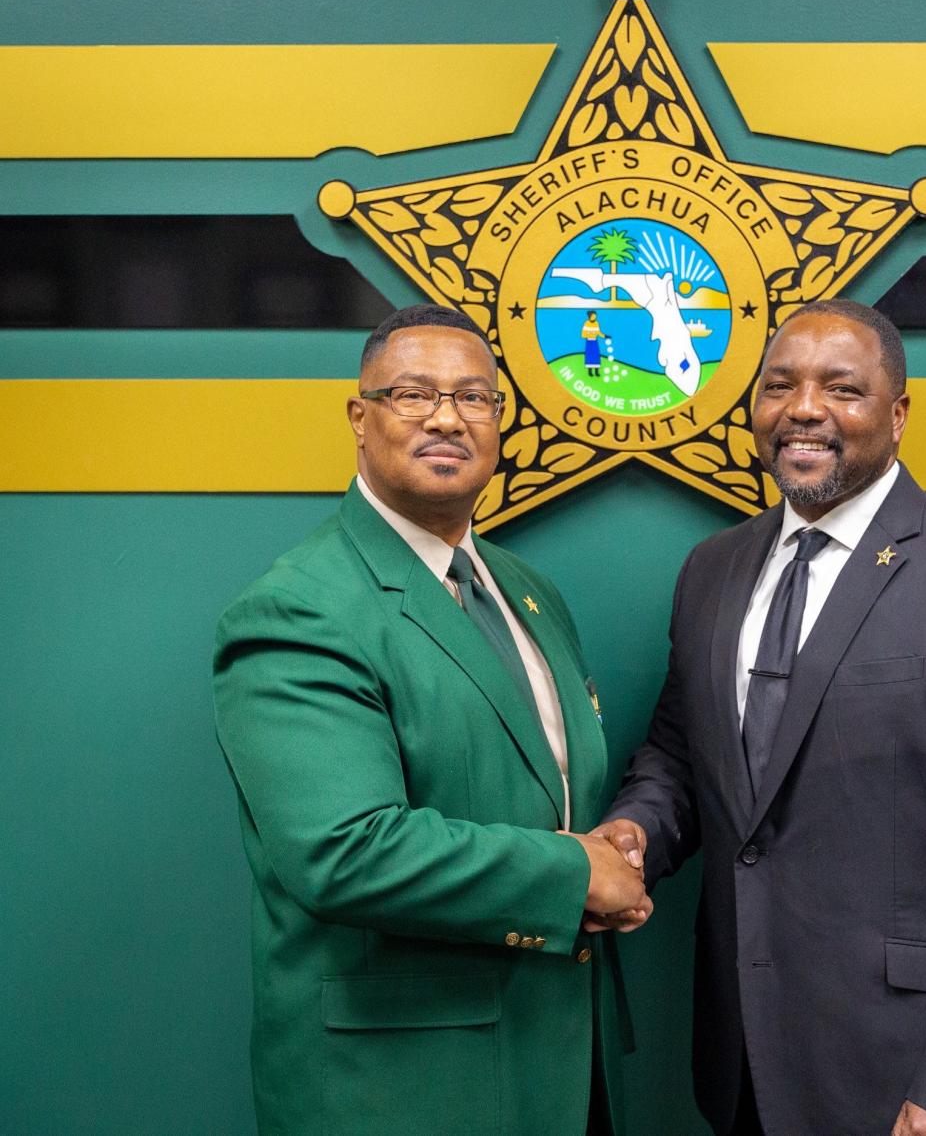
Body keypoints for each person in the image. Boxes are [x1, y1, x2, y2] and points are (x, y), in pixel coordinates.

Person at [595, 300, 926, 1136]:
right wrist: (634, 836)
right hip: (742, 1064)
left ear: (897, 416)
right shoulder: (712, 570)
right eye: (779, 385)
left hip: (907, 1077)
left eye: (843, 389)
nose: (804, 409)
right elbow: (683, 756)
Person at [213, 304, 646, 1136]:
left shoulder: (527, 590)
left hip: (559, 1064)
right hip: (403, 1086)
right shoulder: (298, 608)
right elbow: (342, 852)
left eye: (474, 397)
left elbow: (545, 792)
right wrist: (574, 875)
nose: (447, 417)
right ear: (358, 416)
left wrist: (609, 847)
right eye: (413, 394)